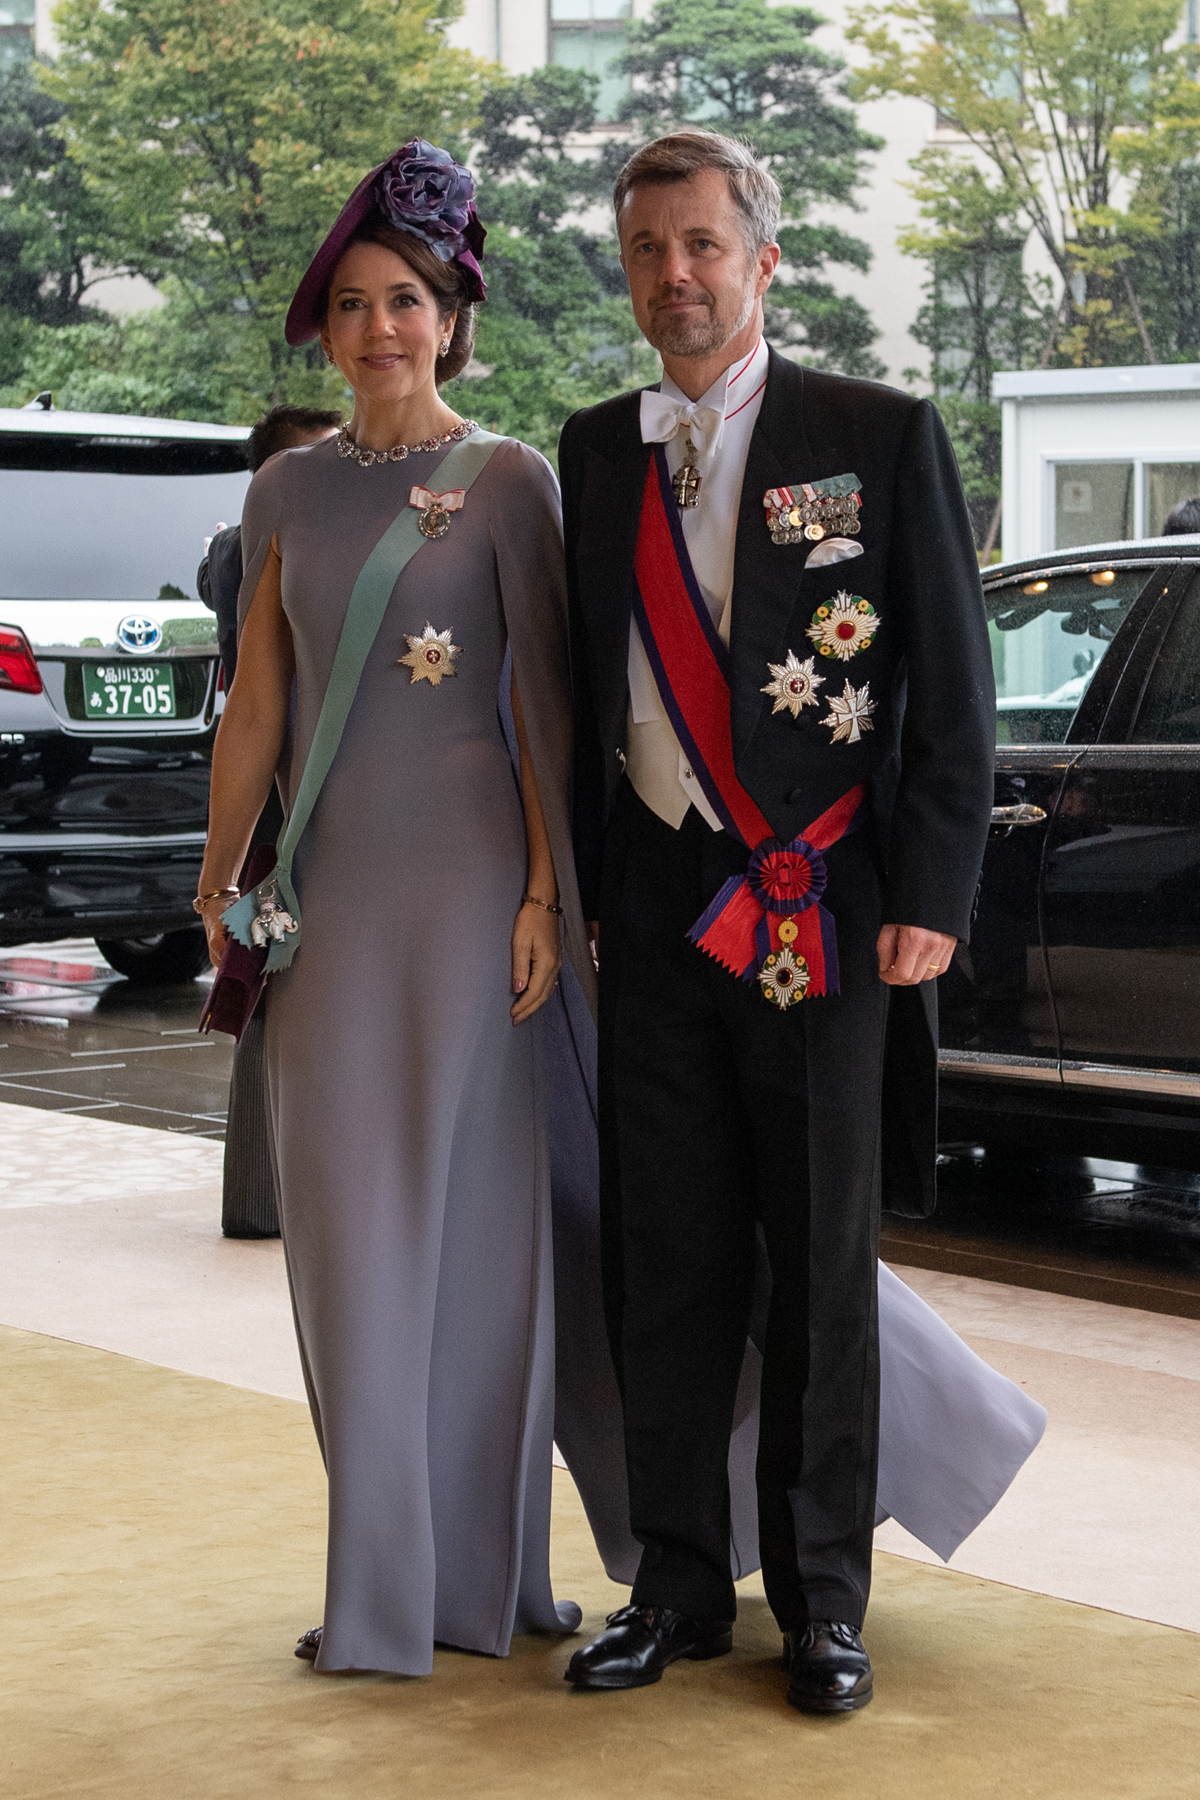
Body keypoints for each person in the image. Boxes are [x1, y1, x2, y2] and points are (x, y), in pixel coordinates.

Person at [560, 131, 997, 1713]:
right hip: (663, 901)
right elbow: (582, 693)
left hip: (828, 901)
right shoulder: (596, 446)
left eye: (701, 245)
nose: (674, 275)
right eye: (647, 249)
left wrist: (935, 898)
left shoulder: (873, 432)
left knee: (819, 1262)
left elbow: (950, 683)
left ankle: (822, 1600)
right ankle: (675, 1583)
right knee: (663, 1258)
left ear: (763, 258)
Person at [195, 139, 594, 1674]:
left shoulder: (507, 482)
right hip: (329, 912)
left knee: (481, 1242)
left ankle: (480, 1581)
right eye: (354, 303)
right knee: (347, 1247)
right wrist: (218, 876)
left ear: (453, 314)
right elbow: (257, 711)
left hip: (482, 903)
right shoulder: (287, 485)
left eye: (408, 300)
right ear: (326, 326)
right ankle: (378, 1585)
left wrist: (551, 893)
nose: (379, 329)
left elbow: (545, 711)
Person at [198, 404, 341, 1241]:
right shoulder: (245, 546)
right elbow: (258, 697)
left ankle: (266, 1192)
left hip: (325, 797)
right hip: (284, 800)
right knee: (265, 980)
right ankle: (258, 1195)